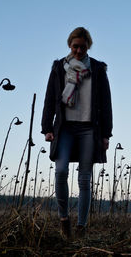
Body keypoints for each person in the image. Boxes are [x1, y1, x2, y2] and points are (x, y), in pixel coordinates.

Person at [41, 27, 113, 239]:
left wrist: (106, 134)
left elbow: (106, 103)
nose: (79, 50)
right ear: (69, 46)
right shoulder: (59, 68)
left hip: (89, 129)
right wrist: (47, 127)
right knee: (61, 171)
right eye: (75, 46)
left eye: (83, 46)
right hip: (65, 128)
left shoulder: (98, 69)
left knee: (84, 179)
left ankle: (81, 227)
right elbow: (49, 98)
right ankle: (64, 220)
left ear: (88, 46)